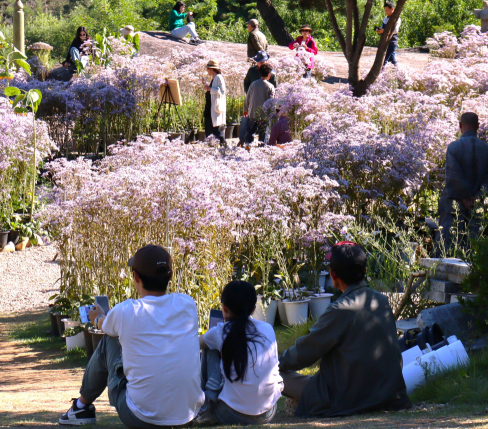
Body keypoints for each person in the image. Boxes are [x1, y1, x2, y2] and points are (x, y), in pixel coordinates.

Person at [59, 244, 204, 427]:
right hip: (187, 416)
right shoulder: (187, 304)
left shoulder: (126, 311)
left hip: (141, 417)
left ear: (136, 277)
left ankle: (81, 407)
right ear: (170, 275)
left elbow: (105, 326)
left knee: (108, 340)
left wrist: (98, 317)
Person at [279, 241, 411, 417]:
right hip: (388, 393)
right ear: (364, 271)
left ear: (332, 274)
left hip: (347, 397)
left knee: (272, 374)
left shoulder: (340, 309)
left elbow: (304, 353)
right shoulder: (381, 301)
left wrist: (272, 364)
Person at [198, 281, 282, 425]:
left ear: (224, 308)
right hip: (267, 413)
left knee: (209, 348)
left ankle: (207, 404)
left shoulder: (220, 331)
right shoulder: (268, 329)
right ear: (254, 308)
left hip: (232, 413)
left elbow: (195, 344)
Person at [437, 112, 488, 254]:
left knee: (448, 242)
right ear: (478, 126)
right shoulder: (486, 149)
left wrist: (464, 197)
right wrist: (476, 196)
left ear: (460, 126)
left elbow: (453, 177)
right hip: (477, 203)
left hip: (454, 201)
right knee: (474, 244)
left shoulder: (454, 147)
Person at [240, 51, 276, 146]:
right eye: (259, 61)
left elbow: (247, 99)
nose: (261, 63)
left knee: (251, 131)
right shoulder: (252, 71)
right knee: (262, 132)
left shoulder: (255, 83)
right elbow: (272, 99)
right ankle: (260, 148)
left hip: (253, 111)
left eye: (263, 61)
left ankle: (249, 145)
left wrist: (246, 109)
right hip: (263, 113)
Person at [203, 60, 227, 146]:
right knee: (209, 127)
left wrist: (209, 89)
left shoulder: (219, 77)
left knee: (215, 128)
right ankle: (211, 145)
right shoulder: (214, 78)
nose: (207, 71)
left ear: (211, 69)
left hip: (214, 107)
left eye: (208, 69)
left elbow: (222, 91)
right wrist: (207, 86)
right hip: (210, 106)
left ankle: (224, 144)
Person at [376, 1, 401, 66]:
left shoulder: (397, 19)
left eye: (387, 10)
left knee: (385, 60)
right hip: (385, 41)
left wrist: (383, 31)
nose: (386, 12)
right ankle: (399, 72)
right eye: (385, 10)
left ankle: (381, 73)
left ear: (392, 9)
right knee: (392, 60)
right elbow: (382, 28)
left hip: (392, 42)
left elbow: (395, 31)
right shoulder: (385, 19)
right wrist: (379, 30)